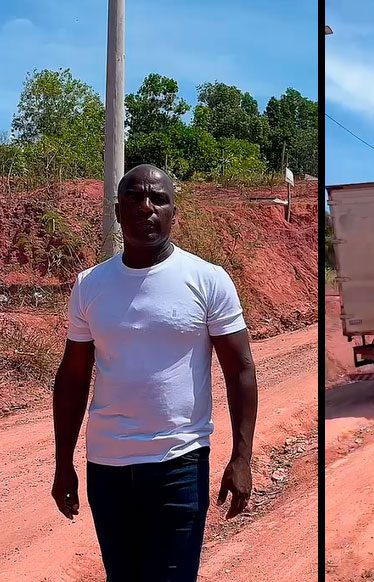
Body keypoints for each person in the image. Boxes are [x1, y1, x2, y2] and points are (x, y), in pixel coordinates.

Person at [50, 164, 258, 580]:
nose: (146, 207)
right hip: (106, 466)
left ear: (173, 213)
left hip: (179, 463)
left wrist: (241, 456)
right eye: (135, 198)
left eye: (158, 199)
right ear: (117, 210)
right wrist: (62, 463)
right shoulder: (90, 284)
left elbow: (240, 371)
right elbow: (72, 378)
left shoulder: (207, 280)